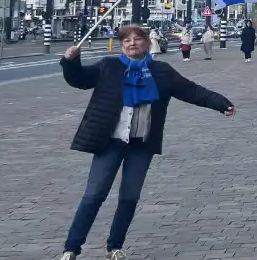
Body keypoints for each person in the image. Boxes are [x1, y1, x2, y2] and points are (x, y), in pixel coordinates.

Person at [58, 25, 236, 260]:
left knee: (129, 196)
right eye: (127, 41)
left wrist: (221, 104)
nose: (132, 43)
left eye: (137, 39)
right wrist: (70, 62)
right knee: (94, 195)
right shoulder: (108, 66)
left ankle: (115, 247)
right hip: (109, 141)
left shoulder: (162, 71)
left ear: (146, 43)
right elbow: (79, 79)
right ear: (122, 46)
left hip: (141, 144)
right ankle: (71, 249)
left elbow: (191, 91)